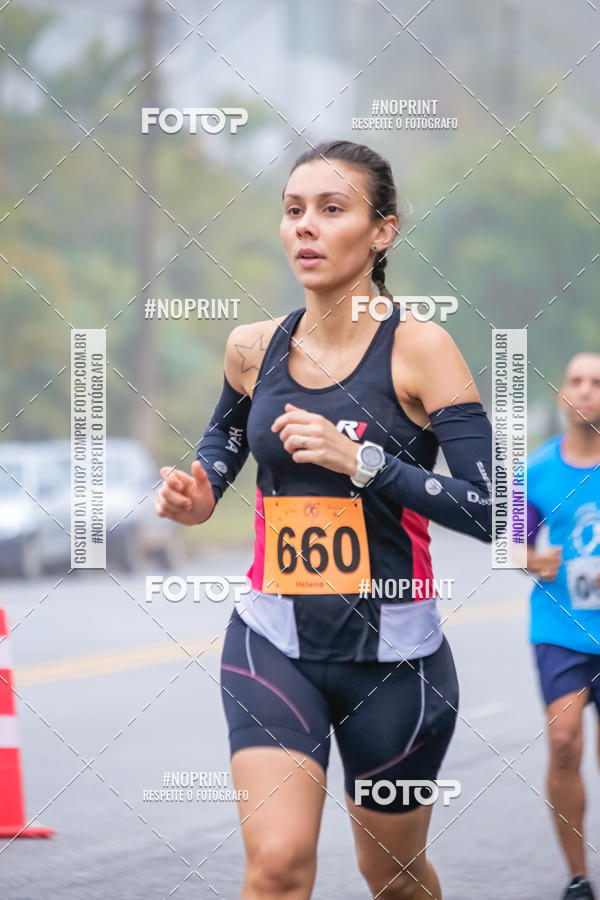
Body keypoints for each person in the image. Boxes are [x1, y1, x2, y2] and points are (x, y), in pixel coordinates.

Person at [155, 139, 494, 900]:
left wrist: (364, 462)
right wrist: (200, 489)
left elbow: (492, 510)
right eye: (292, 210)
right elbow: (227, 440)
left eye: (331, 210)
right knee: (276, 867)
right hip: (274, 638)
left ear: (383, 232)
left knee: (394, 878)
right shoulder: (252, 347)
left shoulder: (422, 350)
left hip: (397, 661)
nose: (304, 227)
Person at [526, 352, 600, 900]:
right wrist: (530, 558)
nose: (586, 390)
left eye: (597, 382)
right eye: (576, 380)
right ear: (562, 395)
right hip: (560, 627)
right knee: (564, 738)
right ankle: (578, 877)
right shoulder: (534, 471)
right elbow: (509, 545)